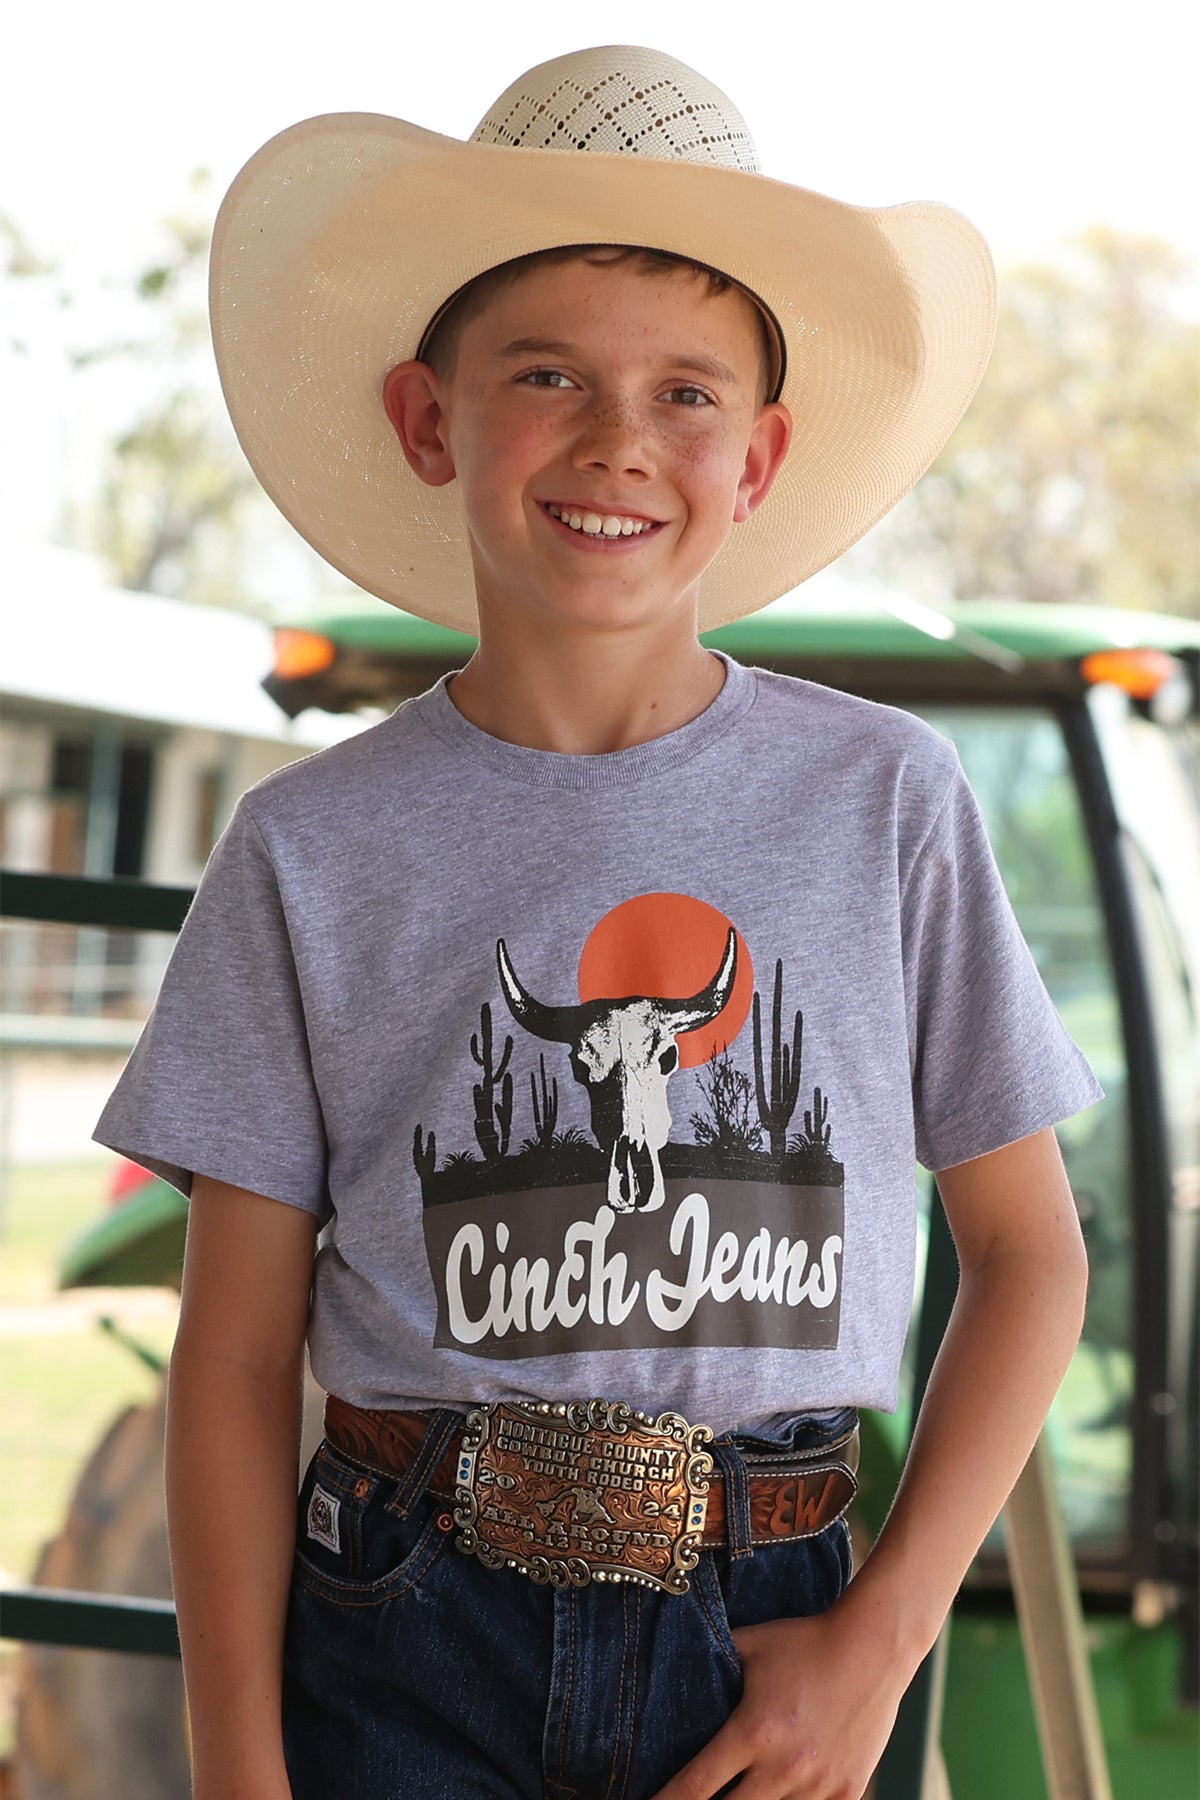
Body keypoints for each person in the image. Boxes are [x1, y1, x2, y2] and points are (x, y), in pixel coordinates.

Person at [94, 44, 1099, 1800]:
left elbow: (1029, 1254)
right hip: (399, 1621)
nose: (619, 442)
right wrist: (239, 1779)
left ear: (762, 453)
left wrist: (877, 1647)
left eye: (689, 393)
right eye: (545, 375)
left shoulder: (889, 802)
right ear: (431, 418)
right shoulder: (308, 848)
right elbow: (241, 1350)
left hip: (772, 1625)